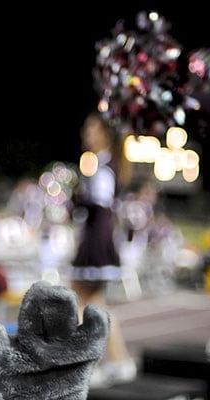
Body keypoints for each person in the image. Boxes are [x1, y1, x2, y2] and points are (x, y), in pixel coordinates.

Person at [71, 114, 136, 387]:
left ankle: (94, 364)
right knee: (93, 304)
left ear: (105, 134)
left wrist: (76, 199)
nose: (87, 133)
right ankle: (118, 361)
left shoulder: (106, 166)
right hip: (95, 240)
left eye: (92, 129)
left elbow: (101, 203)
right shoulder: (102, 163)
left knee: (87, 304)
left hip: (96, 242)